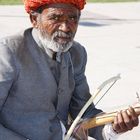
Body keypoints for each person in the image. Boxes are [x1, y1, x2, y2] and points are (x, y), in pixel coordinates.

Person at [0, 0, 139, 140]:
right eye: (55, 18)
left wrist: (114, 127)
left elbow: (83, 111)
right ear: (34, 19)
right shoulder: (8, 52)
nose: (66, 28)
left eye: (72, 18)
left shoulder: (77, 53)